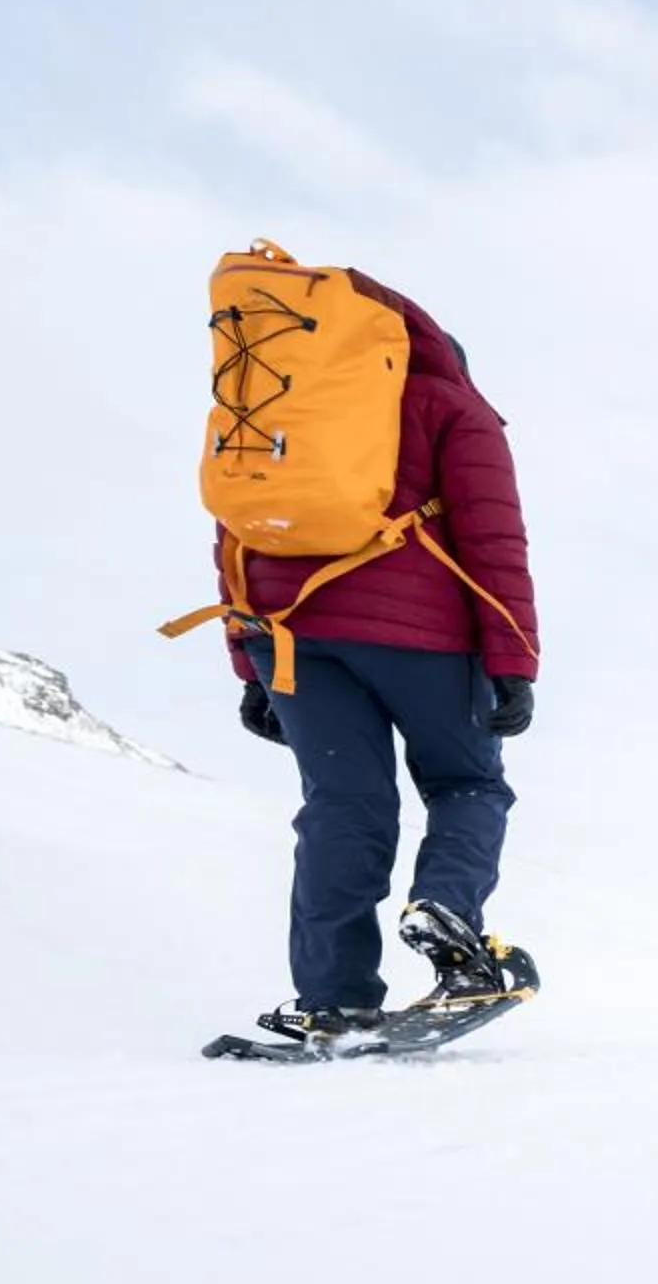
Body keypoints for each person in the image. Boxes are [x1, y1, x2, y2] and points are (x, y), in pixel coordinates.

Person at [214, 272, 539, 1036]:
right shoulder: (452, 407)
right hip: (423, 641)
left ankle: (333, 998)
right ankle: (446, 915)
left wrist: (246, 662)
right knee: (466, 783)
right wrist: (514, 661)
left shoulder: (273, 408)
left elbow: (235, 529)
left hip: (289, 639)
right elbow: (495, 542)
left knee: (342, 806)